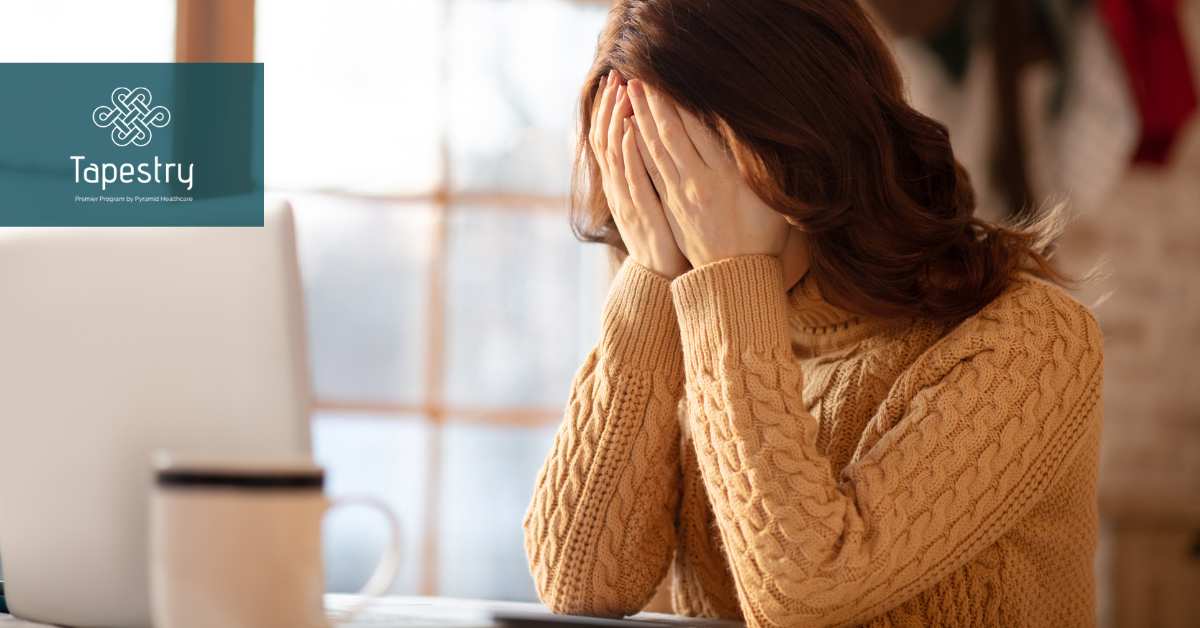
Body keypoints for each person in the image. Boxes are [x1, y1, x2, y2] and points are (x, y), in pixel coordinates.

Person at [522, 1, 1104, 626]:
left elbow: (804, 596)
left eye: (690, 168)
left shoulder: (1032, 341)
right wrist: (649, 282)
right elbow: (581, 583)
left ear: (807, 142)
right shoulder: (698, 308)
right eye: (644, 176)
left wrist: (728, 285)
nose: (674, 214)